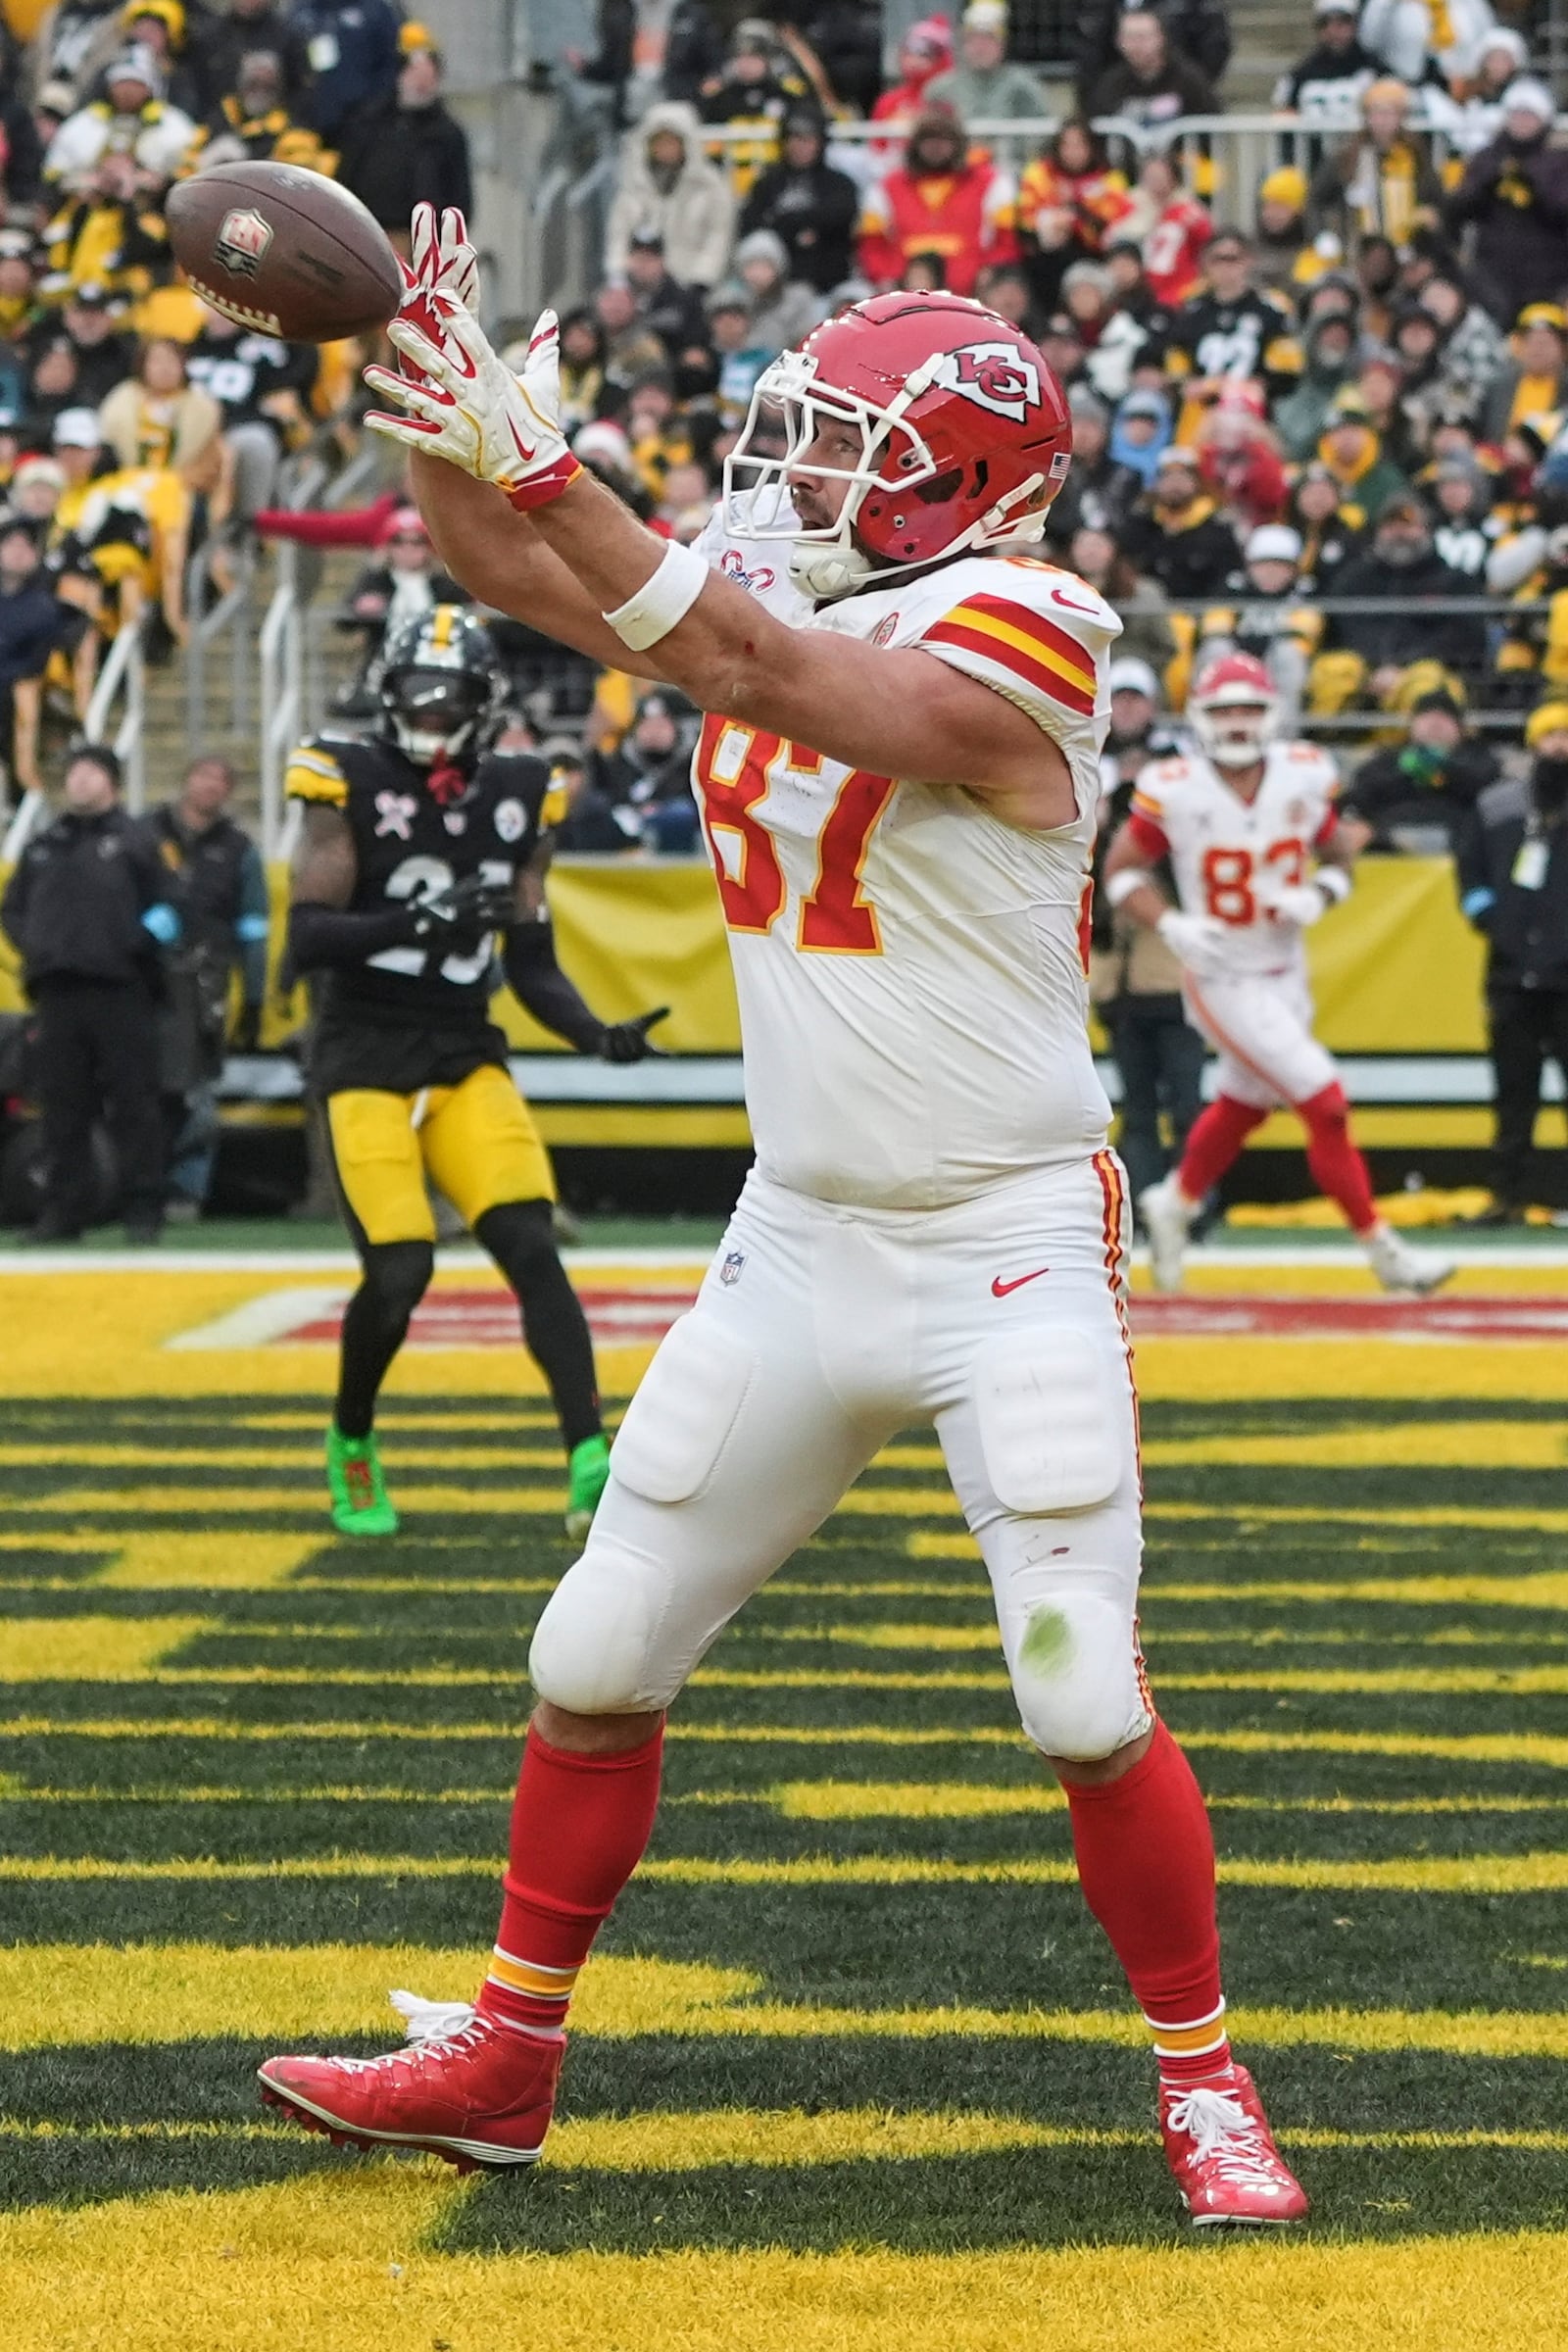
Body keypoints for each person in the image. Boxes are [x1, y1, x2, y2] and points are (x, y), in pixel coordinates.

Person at [257, 204, 1313, 2233]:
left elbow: (740, 657)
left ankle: (1204, 2083)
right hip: (802, 1225)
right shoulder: (785, 563)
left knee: (1077, 1687)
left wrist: (558, 468)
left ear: (965, 487)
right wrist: (432, 403)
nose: (798, 473)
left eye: (849, 446)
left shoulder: (1032, 623)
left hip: (1002, 1229)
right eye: (800, 431)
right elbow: (506, 569)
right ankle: (505, 2053)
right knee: (594, 1646)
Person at [278, 603, 667, 1543]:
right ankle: (352, 1438)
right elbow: (310, 935)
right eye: (415, 695)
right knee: (401, 1269)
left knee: (531, 1245)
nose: (429, 712)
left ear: (484, 704)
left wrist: (594, 1034)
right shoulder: (346, 775)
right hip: (364, 1051)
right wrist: (416, 922)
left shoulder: (526, 790)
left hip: (461, 1046)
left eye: (448, 698)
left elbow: (529, 961)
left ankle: (589, 1458)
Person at [1105, 653, 1453, 1293]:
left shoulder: (1302, 776)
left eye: (1248, 709)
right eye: (1224, 710)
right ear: (1202, 718)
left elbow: (1338, 858)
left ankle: (1174, 1202)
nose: (1237, 723)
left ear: (1271, 715)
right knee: (1326, 1104)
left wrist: (1319, 894)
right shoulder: (1175, 783)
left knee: (1243, 1104)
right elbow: (1122, 871)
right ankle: (1383, 1251)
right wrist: (1172, 923)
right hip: (1221, 973)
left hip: (1285, 969)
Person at [0, 740, 175, 1244]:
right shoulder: (43, 844)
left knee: (135, 1104)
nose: (77, 780)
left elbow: (173, 907)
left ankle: (144, 1211)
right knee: (62, 1109)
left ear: (111, 782)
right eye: (72, 771)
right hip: (56, 993)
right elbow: (13, 909)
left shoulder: (140, 841)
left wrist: (137, 945)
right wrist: (34, 945)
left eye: (88, 771)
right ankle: (63, 1211)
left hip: (122, 992)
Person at [1456, 702, 1568, 1219]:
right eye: (1551, 736)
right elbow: (1470, 870)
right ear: (1532, 743)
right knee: (1512, 1094)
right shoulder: (1497, 805)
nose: (1560, 746)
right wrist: (1491, 923)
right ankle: (1507, 1196)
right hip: (1510, 973)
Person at [148, 754, 270, 1219]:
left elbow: (254, 928)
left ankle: (185, 1189)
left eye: (221, 781)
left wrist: (254, 998)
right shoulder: (146, 834)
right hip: (143, 979)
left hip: (204, 983)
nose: (209, 787)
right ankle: (139, 1185)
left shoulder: (240, 850)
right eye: (202, 776)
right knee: (140, 1088)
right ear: (185, 780)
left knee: (197, 1093)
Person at [858, 106, 1017, 298]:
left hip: (973, 296)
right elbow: (871, 246)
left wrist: (991, 272)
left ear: (958, 143)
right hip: (904, 298)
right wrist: (885, 279)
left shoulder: (991, 182)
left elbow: (1006, 242)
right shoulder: (886, 187)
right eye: (928, 140)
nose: (935, 147)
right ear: (915, 144)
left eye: (943, 140)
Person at [1446, 79, 1568, 327]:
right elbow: (1459, 208)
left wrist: (1534, 182)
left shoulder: (1559, 161)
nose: (1522, 122)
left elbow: (1562, 210)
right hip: (1493, 268)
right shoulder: (1487, 157)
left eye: (1529, 115)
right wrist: (1488, 182)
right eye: (1516, 114)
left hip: (1547, 269)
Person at [335, 27, 472, 234]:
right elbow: (345, 178)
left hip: (422, 240)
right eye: (415, 73)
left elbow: (460, 199)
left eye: (428, 76)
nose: (421, 83)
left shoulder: (447, 134)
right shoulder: (368, 123)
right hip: (371, 232)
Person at [603, 99, 736, 290]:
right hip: (638, 284)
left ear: (686, 144)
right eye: (659, 141)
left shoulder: (710, 186)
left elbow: (718, 237)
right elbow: (618, 235)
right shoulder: (633, 185)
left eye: (672, 141)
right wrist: (618, 274)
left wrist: (702, 279)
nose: (665, 148)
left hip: (693, 282)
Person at [1344, 685, 1498, 849]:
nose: (1435, 723)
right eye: (1426, 716)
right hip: (1390, 844)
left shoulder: (1478, 758)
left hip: (1459, 841)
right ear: (1412, 724)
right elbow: (1362, 795)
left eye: (1445, 717)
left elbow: (1488, 789)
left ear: (1460, 728)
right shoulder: (1389, 760)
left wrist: (1442, 770)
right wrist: (1405, 771)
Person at [739, 106, 859, 297]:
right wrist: (803, 227)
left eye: (807, 139)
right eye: (793, 139)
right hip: (774, 290)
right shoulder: (767, 183)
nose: (799, 146)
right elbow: (751, 225)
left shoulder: (839, 184)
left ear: (820, 143)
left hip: (829, 285)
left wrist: (787, 221)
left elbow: (842, 219)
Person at [1084, 10, 1221, 131]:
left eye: (1142, 37)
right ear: (1119, 41)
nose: (1136, 45)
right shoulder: (1109, 84)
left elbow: (1210, 121)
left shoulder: (1190, 80)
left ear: (1161, 38)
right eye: (1129, 37)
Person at [924, 1, 1050, 124]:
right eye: (973, 39)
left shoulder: (1024, 86)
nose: (980, 47)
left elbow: (1042, 133)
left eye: (989, 39)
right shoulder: (941, 89)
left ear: (1003, 44)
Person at [1273, 0, 1378, 124]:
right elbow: (1285, 117)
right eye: (1325, 23)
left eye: (1343, 22)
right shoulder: (1300, 75)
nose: (1333, 30)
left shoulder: (1375, 70)